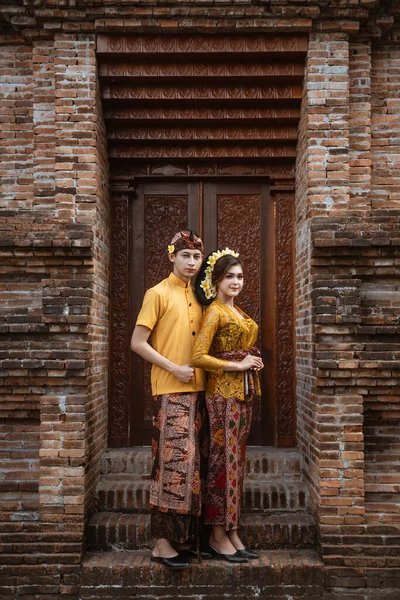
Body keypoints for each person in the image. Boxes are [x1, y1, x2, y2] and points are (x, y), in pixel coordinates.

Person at [131, 231, 209, 570]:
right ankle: (161, 544)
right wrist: (173, 367)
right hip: (170, 390)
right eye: (185, 256)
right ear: (172, 257)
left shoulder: (198, 296)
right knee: (170, 468)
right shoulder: (157, 293)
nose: (191, 262)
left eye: (196, 257)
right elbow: (137, 342)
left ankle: (181, 541)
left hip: (198, 392)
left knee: (190, 471)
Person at [191, 248, 264, 563]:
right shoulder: (215, 311)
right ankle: (216, 535)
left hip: (242, 396)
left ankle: (232, 529)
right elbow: (198, 356)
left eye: (240, 276)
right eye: (230, 277)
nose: (236, 281)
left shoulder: (238, 311)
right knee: (222, 463)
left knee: (237, 464)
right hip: (221, 396)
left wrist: (251, 362)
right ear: (217, 280)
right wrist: (237, 365)